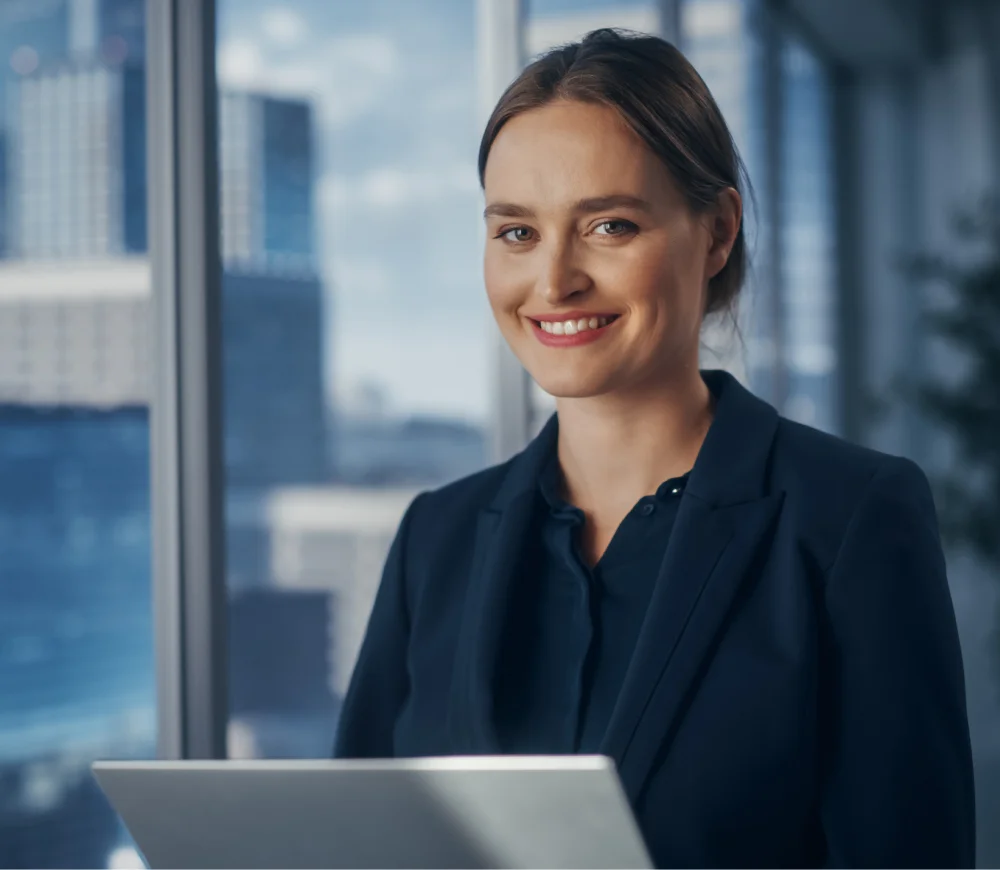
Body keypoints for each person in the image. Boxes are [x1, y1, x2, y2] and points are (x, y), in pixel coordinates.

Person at [334, 28, 975, 868]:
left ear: (715, 233)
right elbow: (350, 841)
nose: (554, 281)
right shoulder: (435, 540)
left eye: (609, 225)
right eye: (517, 233)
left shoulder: (850, 519)